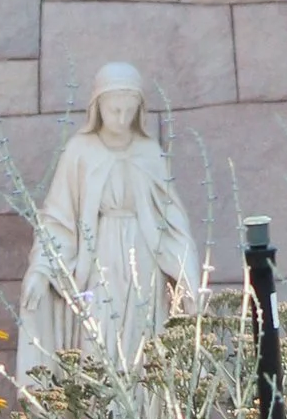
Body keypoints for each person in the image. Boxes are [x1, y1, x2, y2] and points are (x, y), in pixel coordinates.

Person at [15, 61, 201, 386]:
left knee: (147, 345)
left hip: (144, 261)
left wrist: (187, 276)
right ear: (98, 107)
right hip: (98, 258)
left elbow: (172, 222)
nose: (121, 118)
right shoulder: (79, 151)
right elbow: (58, 218)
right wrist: (42, 270)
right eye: (114, 109)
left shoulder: (149, 152)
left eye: (129, 111)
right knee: (99, 339)